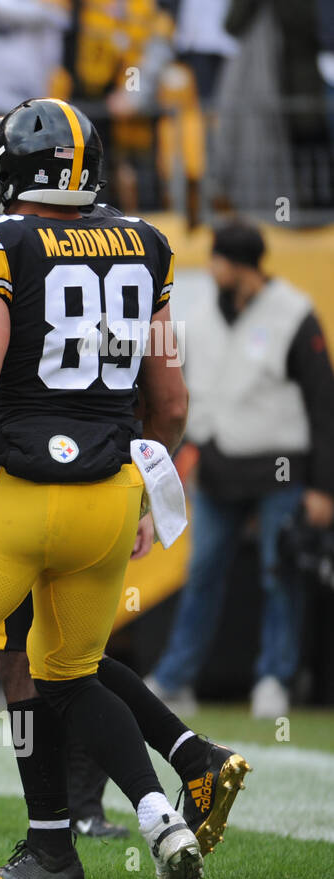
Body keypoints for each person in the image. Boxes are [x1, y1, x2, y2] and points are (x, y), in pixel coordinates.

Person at [0, 98, 241, 879]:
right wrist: (143, 490)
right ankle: (163, 821)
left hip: (17, 492)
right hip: (108, 492)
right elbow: (171, 400)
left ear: (11, 172)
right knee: (68, 672)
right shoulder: (149, 246)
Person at [146, 220, 334, 718]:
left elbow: (322, 402)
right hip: (217, 467)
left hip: (278, 468)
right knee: (203, 571)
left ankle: (274, 678)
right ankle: (175, 678)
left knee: (280, 574)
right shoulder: (205, 317)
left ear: (240, 266)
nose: (211, 269)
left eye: (218, 261)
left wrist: (322, 486)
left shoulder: (294, 314)